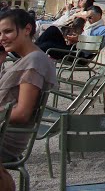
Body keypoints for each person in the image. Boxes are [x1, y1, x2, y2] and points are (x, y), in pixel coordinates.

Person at [0, 8, 58, 162]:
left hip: (5, 140)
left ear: (27, 29)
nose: (2, 38)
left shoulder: (34, 61)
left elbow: (22, 114)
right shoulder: (29, 59)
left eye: (7, 31)